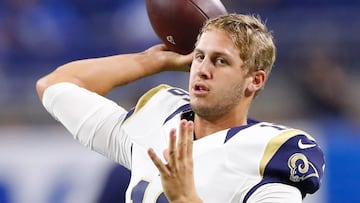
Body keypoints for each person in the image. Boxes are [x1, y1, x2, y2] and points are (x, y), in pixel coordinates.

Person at [36, 13, 325, 203]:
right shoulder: (158, 120)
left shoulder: (269, 154)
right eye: (199, 57)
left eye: (220, 61)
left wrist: (186, 198)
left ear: (254, 80)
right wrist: (151, 61)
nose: (202, 69)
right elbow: (56, 85)